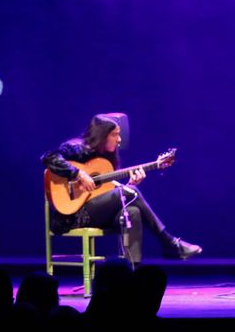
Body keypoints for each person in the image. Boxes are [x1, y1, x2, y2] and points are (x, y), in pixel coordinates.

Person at [42, 113, 201, 265]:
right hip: (74, 215)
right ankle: (169, 243)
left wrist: (131, 185)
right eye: (114, 135)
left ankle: (132, 271)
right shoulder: (75, 148)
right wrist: (78, 174)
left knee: (133, 211)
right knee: (129, 194)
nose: (119, 140)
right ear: (101, 135)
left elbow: (108, 192)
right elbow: (48, 157)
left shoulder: (106, 159)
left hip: (99, 213)